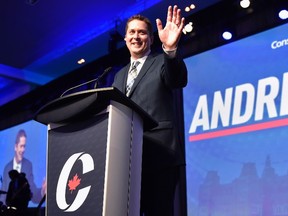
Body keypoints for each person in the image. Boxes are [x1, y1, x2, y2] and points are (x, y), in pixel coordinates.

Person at [112, 5, 187, 216]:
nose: (136, 36)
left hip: (161, 156)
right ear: (125, 39)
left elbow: (177, 79)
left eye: (142, 32)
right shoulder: (118, 76)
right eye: (132, 32)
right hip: (128, 160)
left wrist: (170, 50)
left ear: (151, 39)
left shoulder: (161, 62)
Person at [0, 129, 46, 205]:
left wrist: (42, 192)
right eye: (21, 146)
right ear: (15, 147)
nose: (23, 150)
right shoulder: (7, 168)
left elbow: (33, 193)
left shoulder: (28, 165)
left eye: (24, 146)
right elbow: (3, 195)